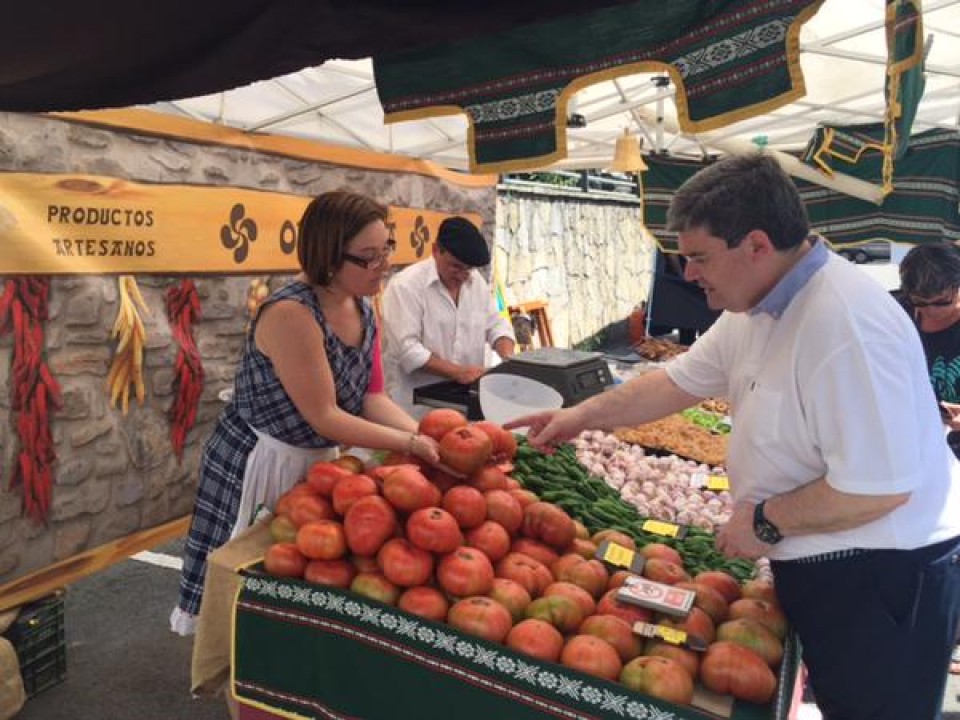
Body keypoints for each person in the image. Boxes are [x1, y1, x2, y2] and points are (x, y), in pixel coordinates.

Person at [509, 153, 960, 720]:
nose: (689, 273)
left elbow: (878, 488)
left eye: (699, 257)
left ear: (756, 245)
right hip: (830, 560)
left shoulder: (847, 325)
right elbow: (676, 381)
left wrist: (766, 520)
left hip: (882, 576)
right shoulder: (756, 306)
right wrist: (579, 415)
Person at [171, 190, 440, 635]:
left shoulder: (363, 304)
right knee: (242, 590)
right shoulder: (292, 314)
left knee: (296, 585)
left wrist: (430, 438)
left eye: (387, 249)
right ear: (329, 259)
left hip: (316, 463)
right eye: (368, 257)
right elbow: (326, 416)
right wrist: (412, 444)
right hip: (261, 461)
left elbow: (371, 397)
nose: (384, 265)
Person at [381, 216, 516, 416]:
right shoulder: (405, 286)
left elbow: (496, 324)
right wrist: (458, 372)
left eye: (468, 269)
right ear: (436, 250)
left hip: (466, 407)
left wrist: (509, 359)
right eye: (456, 266)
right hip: (416, 411)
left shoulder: (475, 282)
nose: (462, 275)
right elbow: (407, 350)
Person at [899, 242, 960, 674]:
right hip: (914, 456)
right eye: (921, 304)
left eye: (943, 303)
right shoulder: (899, 316)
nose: (931, 315)